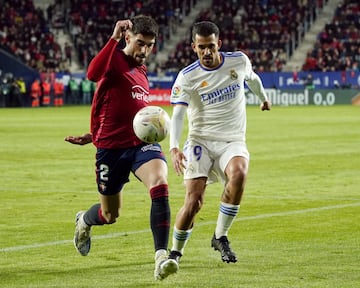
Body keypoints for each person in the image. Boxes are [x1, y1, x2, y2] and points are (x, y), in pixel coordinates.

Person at [64, 15, 178, 281]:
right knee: (109, 214)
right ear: (128, 38)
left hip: (140, 146)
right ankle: (84, 220)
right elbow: (92, 74)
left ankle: (161, 256)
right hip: (111, 152)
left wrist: (94, 133)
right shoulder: (114, 58)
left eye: (150, 45)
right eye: (140, 43)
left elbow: (127, 111)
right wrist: (113, 38)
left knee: (160, 182)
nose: (145, 50)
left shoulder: (142, 71)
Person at [167, 21, 271, 267]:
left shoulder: (238, 61)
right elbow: (179, 114)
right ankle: (174, 253)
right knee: (194, 201)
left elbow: (253, 79)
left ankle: (220, 236)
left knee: (239, 174)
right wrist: (174, 147)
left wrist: (264, 98)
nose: (207, 52)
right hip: (200, 141)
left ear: (219, 44)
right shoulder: (188, 76)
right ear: (194, 47)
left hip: (231, 140)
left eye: (211, 46)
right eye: (201, 47)